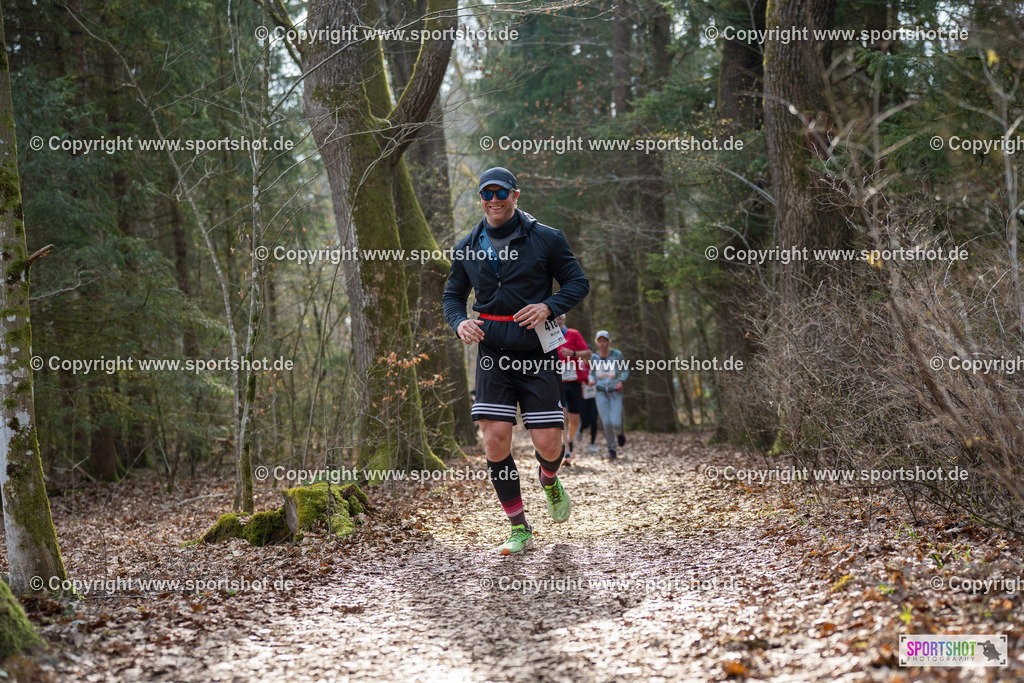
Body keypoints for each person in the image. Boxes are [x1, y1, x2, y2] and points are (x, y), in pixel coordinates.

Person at [443, 167, 589, 555]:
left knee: (549, 444)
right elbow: (452, 296)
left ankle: (549, 478)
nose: (494, 199)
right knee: (494, 441)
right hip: (492, 353)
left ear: (515, 195)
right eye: (487, 193)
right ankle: (519, 527)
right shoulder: (467, 247)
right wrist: (459, 323)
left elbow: (578, 282)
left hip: (538, 351)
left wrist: (548, 305)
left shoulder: (546, 238)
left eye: (501, 192)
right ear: (480, 199)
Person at [555, 314, 590, 466]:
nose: (557, 321)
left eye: (560, 318)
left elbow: (588, 354)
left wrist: (573, 354)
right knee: (562, 415)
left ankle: (570, 439)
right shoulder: (548, 336)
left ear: (564, 320)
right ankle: (566, 450)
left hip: (574, 381)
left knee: (574, 419)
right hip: (557, 382)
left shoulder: (574, 334)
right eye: (554, 318)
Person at [588, 330, 628, 459]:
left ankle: (620, 433)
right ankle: (612, 449)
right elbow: (591, 372)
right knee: (606, 422)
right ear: (597, 342)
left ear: (608, 342)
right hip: (600, 393)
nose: (602, 344)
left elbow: (625, 369)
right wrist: (591, 379)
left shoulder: (617, 355)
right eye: (600, 341)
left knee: (615, 422)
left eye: (604, 341)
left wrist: (621, 381)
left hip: (615, 392)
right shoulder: (594, 357)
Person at [576, 348, 599, 454]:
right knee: (586, 421)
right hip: (583, 396)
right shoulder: (579, 365)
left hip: (595, 396)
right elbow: (576, 377)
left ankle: (592, 444)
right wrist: (583, 383)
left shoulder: (596, 365)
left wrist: (595, 382)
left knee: (594, 419)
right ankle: (581, 428)